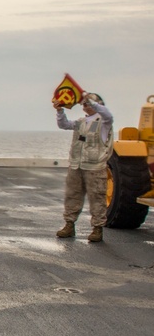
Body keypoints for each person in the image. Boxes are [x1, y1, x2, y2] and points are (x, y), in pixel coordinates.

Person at [54, 92, 114, 242]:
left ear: (98, 104)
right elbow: (64, 124)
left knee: (97, 198)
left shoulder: (103, 122)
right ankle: (69, 224)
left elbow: (108, 115)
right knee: (72, 196)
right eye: (84, 103)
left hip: (94, 166)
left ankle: (97, 228)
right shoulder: (81, 122)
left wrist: (90, 101)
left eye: (88, 103)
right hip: (76, 165)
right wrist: (60, 111)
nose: (85, 105)